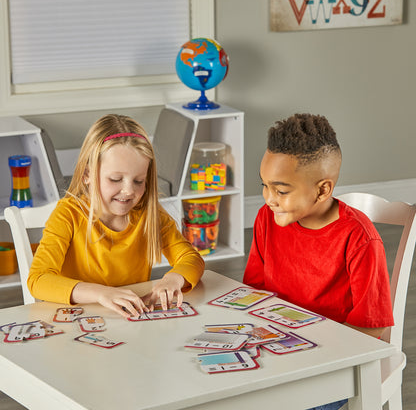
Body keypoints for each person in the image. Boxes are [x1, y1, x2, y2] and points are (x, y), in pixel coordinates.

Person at [243, 113, 394, 410]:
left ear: (323, 189)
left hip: (337, 365)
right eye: (265, 186)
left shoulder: (360, 238)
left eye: (281, 190)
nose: (268, 199)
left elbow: (370, 328)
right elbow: (255, 292)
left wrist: (311, 354)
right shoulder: (266, 219)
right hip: (278, 351)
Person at [28, 114, 204, 318]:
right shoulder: (68, 214)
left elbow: (191, 258)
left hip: (130, 322)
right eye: (115, 179)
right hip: (78, 322)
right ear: (87, 175)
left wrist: (174, 279)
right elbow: (38, 279)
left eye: (138, 181)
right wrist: (102, 294)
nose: (129, 190)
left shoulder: (149, 214)